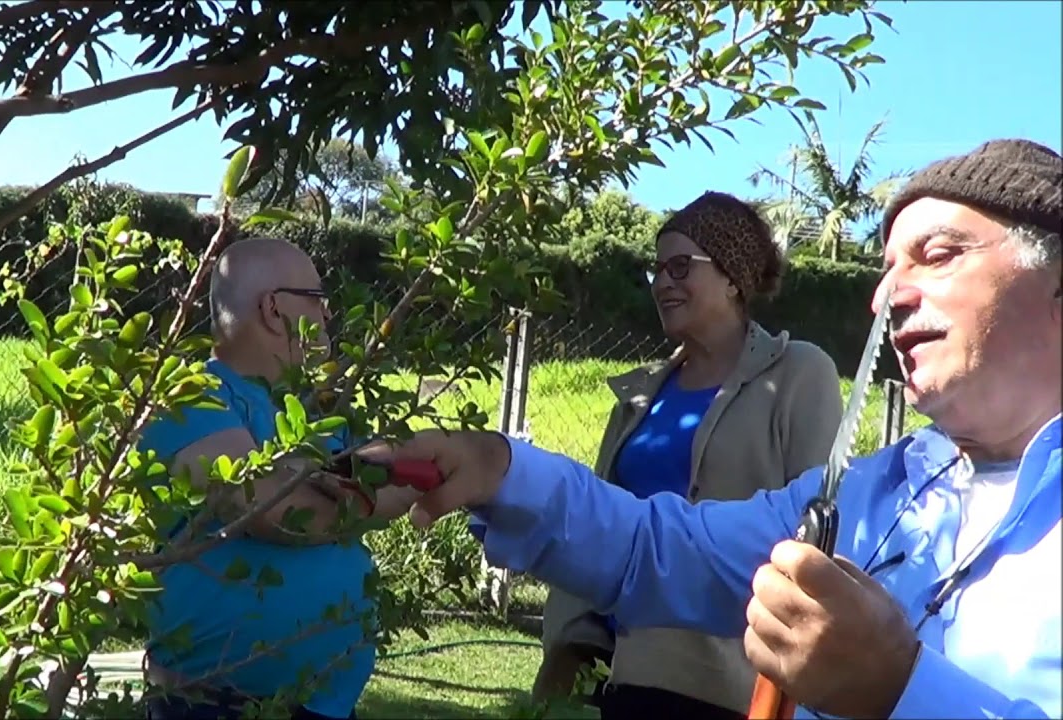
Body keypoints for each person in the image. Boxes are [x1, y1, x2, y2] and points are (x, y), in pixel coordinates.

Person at [371, 138, 1063, 718]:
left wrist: (906, 692)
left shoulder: (799, 376)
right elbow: (659, 549)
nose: (886, 296)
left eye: (937, 254)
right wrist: (501, 470)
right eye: (885, 269)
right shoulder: (876, 493)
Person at [535, 191, 843, 720]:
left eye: (681, 266)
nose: (662, 283)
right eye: (655, 270)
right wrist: (574, 644)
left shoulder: (798, 374)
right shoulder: (639, 398)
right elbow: (601, 524)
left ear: (732, 277)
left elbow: (818, 531)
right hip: (626, 675)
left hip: (737, 685)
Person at [138, 237, 419, 720]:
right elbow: (277, 511)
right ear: (273, 308)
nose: (328, 316)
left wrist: (326, 480)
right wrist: (366, 489)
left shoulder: (318, 412)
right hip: (212, 706)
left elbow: (395, 476)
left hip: (321, 706)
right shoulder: (193, 398)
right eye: (317, 298)